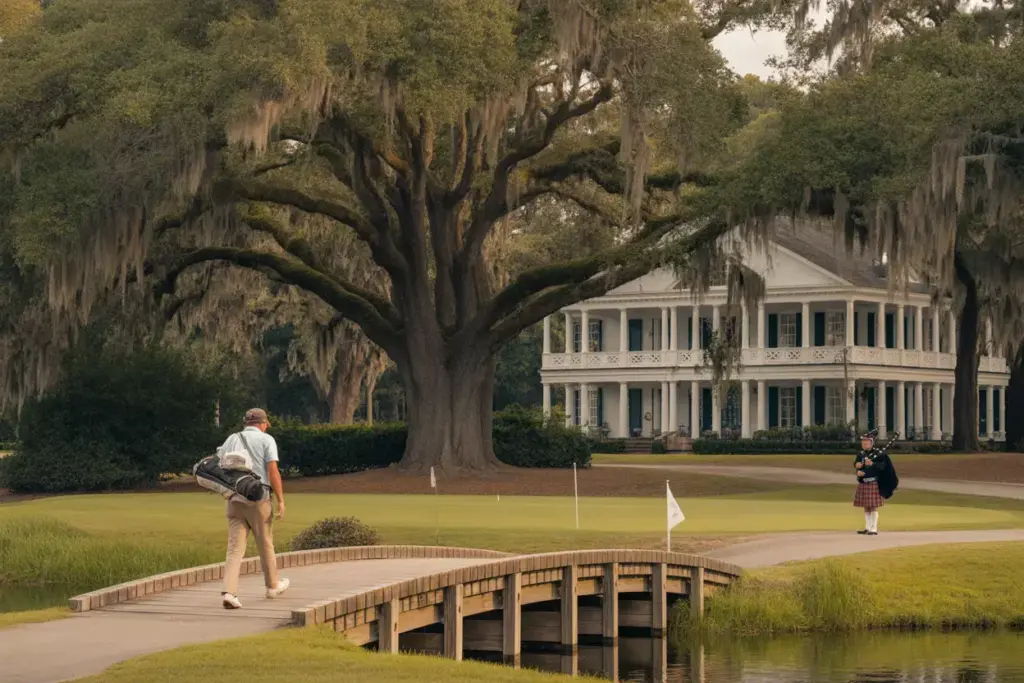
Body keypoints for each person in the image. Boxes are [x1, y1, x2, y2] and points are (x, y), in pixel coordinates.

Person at [218, 408, 289, 609]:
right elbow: (272, 470)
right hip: (260, 498)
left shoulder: (232, 438)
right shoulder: (267, 440)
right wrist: (281, 500)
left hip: (233, 497)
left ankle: (230, 593)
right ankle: (272, 586)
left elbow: (220, 463)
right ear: (263, 423)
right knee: (265, 542)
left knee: (234, 549)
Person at [853, 430, 891, 535]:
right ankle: (867, 527)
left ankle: (874, 528)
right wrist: (857, 468)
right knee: (866, 505)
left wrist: (873, 464)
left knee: (873, 505)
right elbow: (856, 463)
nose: (864, 444)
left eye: (866, 442)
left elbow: (882, 467)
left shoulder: (878, 454)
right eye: (863, 442)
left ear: (871, 443)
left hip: (873, 482)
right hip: (863, 482)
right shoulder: (861, 454)